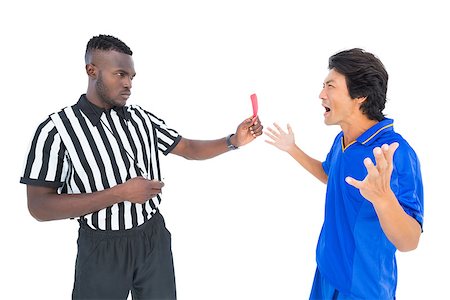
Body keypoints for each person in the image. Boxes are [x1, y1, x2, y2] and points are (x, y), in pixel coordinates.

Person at [20, 34, 263, 300]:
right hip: (101, 247)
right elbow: (39, 207)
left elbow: (188, 149)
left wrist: (234, 141)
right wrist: (120, 193)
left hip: (152, 237)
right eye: (120, 74)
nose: (128, 84)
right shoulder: (56, 130)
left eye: (131, 77)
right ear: (92, 71)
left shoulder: (141, 118)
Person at [265, 48, 423, 299]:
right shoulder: (343, 140)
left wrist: (383, 198)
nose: (321, 94)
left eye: (330, 86)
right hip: (327, 274)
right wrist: (292, 149)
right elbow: (331, 176)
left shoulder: (395, 152)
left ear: (360, 95)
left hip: (364, 289)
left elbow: (410, 241)